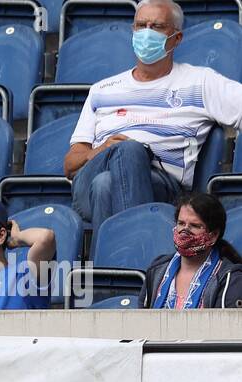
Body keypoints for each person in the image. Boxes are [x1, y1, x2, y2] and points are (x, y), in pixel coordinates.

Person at [66, 0, 242, 228]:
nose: (146, 33)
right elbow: (70, 166)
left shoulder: (201, 82)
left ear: (177, 38)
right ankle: (137, 239)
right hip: (86, 187)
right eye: (141, 25)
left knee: (106, 184)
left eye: (157, 26)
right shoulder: (102, 90)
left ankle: (116, 250)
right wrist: (105, 150)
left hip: (162, 186)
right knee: (124, 153)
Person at [141, 192, 242, 308]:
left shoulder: (230, 279)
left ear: (213, 235)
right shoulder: (157, 270)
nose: (184, 231)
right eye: (181, 223)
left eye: (194, 225)